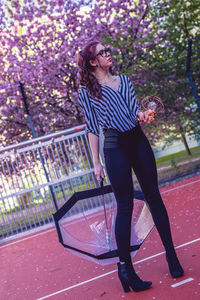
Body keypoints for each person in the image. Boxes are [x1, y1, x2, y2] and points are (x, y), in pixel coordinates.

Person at [77, 39, 184, 293]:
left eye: (108, 51)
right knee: (124, 207)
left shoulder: (124, 81)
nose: (109, 54)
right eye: (103, 53)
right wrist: (96, 162)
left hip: (138, 141)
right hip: (114, 148)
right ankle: (126, 269)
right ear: (93, 62)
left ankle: (172, 255)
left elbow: (133, 111)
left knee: (154, 197)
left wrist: (143, 115)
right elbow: (92, 128)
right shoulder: (87, 92)